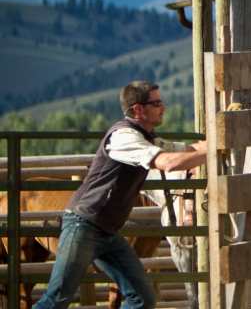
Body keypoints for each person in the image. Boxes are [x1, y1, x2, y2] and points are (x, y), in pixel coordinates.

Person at [34, 81, 207, 309]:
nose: (163, 107)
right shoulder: (124, 138)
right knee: (56, 299)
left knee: (142, 299)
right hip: (84, 225)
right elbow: (167, 163)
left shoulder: (147, 138)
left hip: (106, 231)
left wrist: (217, 141)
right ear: (137, 109)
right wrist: (212, 152)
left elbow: (188, 150)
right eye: (156, 103)